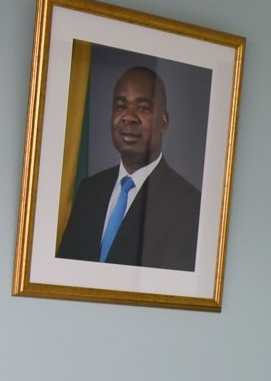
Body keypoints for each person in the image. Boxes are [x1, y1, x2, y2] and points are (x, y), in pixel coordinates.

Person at [55, 65, 201, 271]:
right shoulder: (90, 189)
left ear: (163, 122)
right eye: (121, 106)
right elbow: (61, 273)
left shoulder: (188, 205)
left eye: (143, 107)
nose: (128, 117)